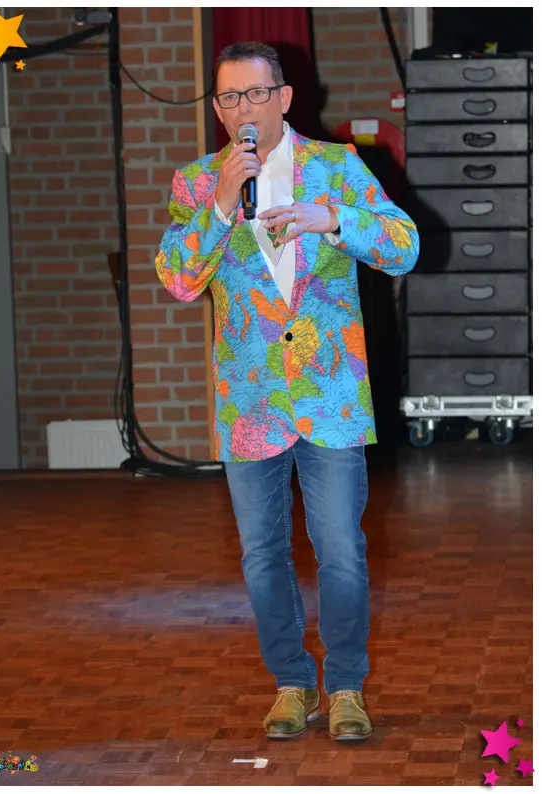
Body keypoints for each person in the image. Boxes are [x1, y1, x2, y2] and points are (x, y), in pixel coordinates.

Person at [156, 41, 419, 741]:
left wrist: (334, 220)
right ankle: (291, 684)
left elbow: (405, 247)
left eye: (255, 93)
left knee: (341, 550)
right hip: (251, 403)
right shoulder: (197, 182)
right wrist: (219, 207)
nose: (242, 109)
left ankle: (346, 687)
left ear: (284, 98)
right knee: (262, 555)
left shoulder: (337, 166)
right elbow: (177, 280)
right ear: (217, 109)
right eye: (229, 97)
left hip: (331, 395)